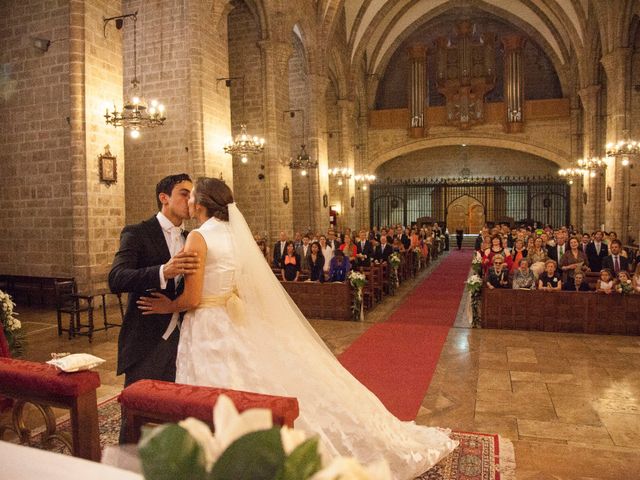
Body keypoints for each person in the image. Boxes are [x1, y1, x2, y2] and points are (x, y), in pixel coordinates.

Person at [137, 178, 457, 477]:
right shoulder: (235, 235)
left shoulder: (199, 236)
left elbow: (192, 298)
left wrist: (167, 305)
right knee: (243, 382)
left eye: (192, 197)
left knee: (215, 389)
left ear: (202, 203)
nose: (189, 202)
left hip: (207, 325)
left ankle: (226, 454)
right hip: (232, 318)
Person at [109, 173, 199, 443]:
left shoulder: (191, 237)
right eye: (184, 193)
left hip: (184, 338)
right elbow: (117, 278)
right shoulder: (137, 232)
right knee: (137, 414)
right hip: (146, 339)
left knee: (173, 412)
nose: (190, 199)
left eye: (191, 194)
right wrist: (163, 271)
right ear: (164, 198)